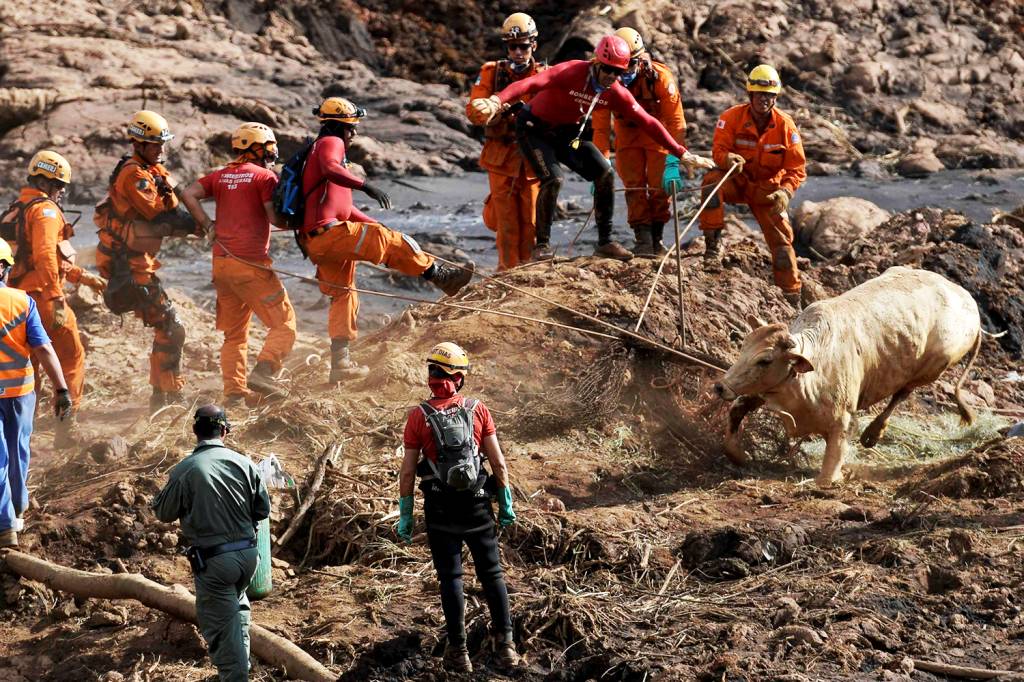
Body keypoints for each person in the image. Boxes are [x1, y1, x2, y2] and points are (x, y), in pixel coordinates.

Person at [470, 34, 705, 261]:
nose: (611, 76)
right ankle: (542, 246)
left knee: (605, 173)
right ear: (596, 63)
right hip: (534, 129)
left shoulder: (616, 92)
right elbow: (530, 82)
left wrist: (681, 154)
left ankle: (605, 243)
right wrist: (496, 101)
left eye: (618, 72)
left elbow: (649, 122)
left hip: (568, 132)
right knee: (554, 179)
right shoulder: (571, 71)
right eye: (607, 69)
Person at [299, 98, 473, 383]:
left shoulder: (316, 150)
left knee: (344, 294)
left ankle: (340, 363)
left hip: (318, 240)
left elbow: (343, 207)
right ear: (339, 126)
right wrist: (366, 186)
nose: (354, 133)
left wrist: (370, 222)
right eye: (351, 127)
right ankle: (439, 275)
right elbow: (332, 169)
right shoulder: (331, 142)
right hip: (330, 234)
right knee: (387, 240)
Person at [398, 342, 519, 673]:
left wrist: (405, 514)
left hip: (440, 508)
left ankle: (458, 652)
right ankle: (506, 647)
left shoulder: (418, 417)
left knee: (450, 578)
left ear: (431, 376)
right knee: (492, 574)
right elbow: (498, 463)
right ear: (460, 378)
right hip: (478, 504)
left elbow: (408, 471)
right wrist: (505, 501)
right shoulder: (478, 409)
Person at [180, 123, 297, 405]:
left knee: (234, 336)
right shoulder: (264, 177)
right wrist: (296, 220)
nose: (272, 154)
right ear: (256, 147)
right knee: (285, 326)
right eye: (269, 148)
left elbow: (188, 193)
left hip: (221, 265)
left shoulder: (221, 176)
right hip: (251, 266)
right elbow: (274, 219)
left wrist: (208, 224)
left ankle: (234, 394)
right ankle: (264, 372)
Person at [152, 404, 270, 681]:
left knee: (219, 626)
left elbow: (164, 513)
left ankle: (236, 676)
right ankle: (242, 667)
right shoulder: (246, 464)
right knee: (237, 608)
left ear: (195, 431)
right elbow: (262, 511)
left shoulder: (186, 469)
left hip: (215, 563)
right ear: (225, 431)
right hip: (248, 558)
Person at [94, 110, 198, 412]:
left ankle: (159, 397)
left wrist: (194, 222)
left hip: (140, 261)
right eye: (155, 145)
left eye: (162, 144)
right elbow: (160, 214)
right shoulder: (134, 174)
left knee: (165, 327)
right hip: (130, 264)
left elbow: (174, 202)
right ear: (138, 143)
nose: (161, 150)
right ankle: (170, 395)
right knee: (172, 326)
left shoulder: (153, 169)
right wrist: (197, 226)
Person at [5, 151, 106, 447]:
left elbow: (34, 259)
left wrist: (84, 277)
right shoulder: (46, 211)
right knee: (71, 357)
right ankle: (66, 429)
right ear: (48, 182)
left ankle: (25, 432)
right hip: (44, 300)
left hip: (15, 301)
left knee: (29, 368)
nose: (61, 192)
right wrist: (56, 296)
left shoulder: (15, 209)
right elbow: (47, 256)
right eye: (60, 186)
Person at [699, 64, 807, 307]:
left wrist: (786, 191)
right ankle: (713, 249)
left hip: (769, 191)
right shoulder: (731, 117)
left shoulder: (785, 126)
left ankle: (792, 297)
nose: (764, 100)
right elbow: (718, 150)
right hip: (737, 181)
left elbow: (797, 168)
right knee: (710, 183)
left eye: (769, 96)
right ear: (750, 95)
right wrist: (728, 159)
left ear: (775, 98)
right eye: (759, 95)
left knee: (781, 247)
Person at [0, 238, 71, 548]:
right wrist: (61, 388)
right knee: (17, 451)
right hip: (20, 394)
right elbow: (43, 348)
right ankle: (17, 507)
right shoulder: (22, 301)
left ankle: (6, 526)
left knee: (1, 457)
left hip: (16, 394)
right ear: (4, 268)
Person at [592, 28, 687, 256]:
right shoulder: (605, 78)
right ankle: (642, 239)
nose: (626, 72)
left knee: (659, 187)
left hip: (657, 136)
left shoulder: (661, 78)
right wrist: (599, 165)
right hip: (627, 135)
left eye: (632, 64)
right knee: (633, 187)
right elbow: (600, 127)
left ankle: (657, 238)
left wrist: (673, 162)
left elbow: (676, 121)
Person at [466, 13, 546, 270]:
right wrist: (493, 108)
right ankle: (507, 272)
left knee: (532, 219)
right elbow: (474, 110)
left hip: (533, 157)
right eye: (513, 46)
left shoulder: (546, 74)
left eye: (524, 46)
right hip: (500, 156)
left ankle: (529, 271)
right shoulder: (492, 72)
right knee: (505, 221)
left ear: (534, 45)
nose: (518, 52)